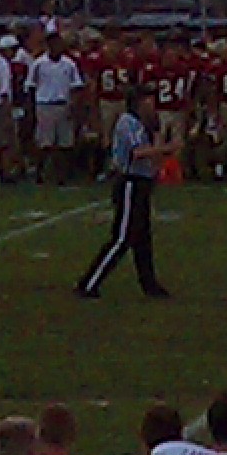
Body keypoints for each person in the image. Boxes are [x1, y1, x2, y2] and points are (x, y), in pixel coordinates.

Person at [76, 87, 168, 298]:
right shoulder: (129, 122)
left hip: (142, 183)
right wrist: (166, 147)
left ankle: (149, 284)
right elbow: (137, 152)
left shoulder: (144, 124)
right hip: (130, 183)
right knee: (122, 238)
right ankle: (90, 282)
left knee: (143, 237)